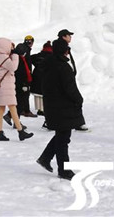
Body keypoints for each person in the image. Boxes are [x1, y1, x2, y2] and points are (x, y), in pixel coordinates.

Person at [36, 39, 84, 180]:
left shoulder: (47, 65)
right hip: (64, 107)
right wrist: (79, 100)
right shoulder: (63, 67)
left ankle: (45, 158)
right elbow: (70, 89)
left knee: (61, 135)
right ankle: (64, 170)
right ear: (65, 51)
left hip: (52, 106)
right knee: (63, 139)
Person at [0, 38, 33, 141]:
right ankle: (20, 132)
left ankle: (0, 132)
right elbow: (13, 67)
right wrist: (15, 55)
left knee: (2, 109)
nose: (11, 48)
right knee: (13, 108)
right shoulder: (3, 57)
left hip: (2, 87)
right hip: (6, 87)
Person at [57, 29, 88, 131]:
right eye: (68, 35)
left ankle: (77, 122)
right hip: (65, 80)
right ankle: (79, 123)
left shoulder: (66, 48)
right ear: (63, 37)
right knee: (76, 100)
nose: (70, 37)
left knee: (72, 101)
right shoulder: (59, 48)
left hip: (69, 78)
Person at [31, 41, 53, 128]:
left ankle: (39, 109)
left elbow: (31, 58)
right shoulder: (52, 56)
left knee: (37, 94)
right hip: (46, 76)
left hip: (36, 75)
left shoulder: (38, 55)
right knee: (44, 94)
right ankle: (44, 109)